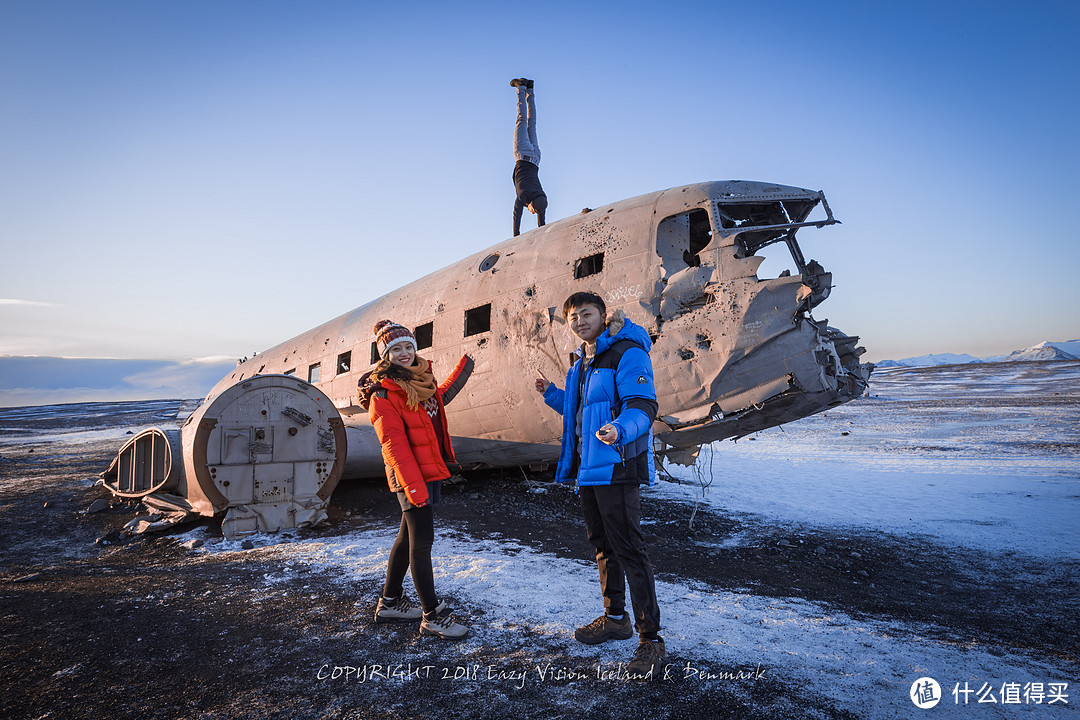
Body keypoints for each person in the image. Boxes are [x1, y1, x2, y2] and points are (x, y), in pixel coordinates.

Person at [534, 292, 666, 678]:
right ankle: (615, 618)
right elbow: (581, 411)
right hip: (589, 470)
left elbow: (643, 406)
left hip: (617, 465)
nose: (578, 321)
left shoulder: (627, 352)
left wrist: (620, 429)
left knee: (629, 549)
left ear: (603, 315)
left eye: (586, 314)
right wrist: (553, 395)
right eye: (572, 316)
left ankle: (651, 639)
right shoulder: (581, 363)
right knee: (603, 547)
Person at [357, 320, 473, 640]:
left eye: (409, 346)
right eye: (396, 349)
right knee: (422, 543)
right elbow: (393, 445)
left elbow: (436, 400)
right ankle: (432, 614)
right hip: (409, 474)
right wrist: (413, 486)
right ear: (386, 355)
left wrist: (463, 369)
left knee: (407, 538)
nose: (405, 353)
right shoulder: (383, 393)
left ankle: (390, 602)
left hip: (428, 468)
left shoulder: (420, 380)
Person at [510, 77, 547, 236]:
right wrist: (515, 236)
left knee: (532, 124)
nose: (531, 212)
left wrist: (542, 228)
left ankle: (530, 90)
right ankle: (521, 88)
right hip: (523, 154)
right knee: (521, 120)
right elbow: (516, 213)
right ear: (531, 204)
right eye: (533, 211)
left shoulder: (542, 196)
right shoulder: (523, 194)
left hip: (536, 159)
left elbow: (541, 215)